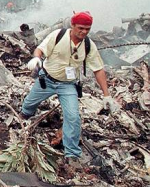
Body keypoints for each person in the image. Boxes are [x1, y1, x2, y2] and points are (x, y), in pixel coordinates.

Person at [21, 11, 119, 164]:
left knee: (73, 116)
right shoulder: (58, 35)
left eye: (87, 29)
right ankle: (24, 117)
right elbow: (40, 49)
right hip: (47, 79)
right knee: (28, 105)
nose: (84, 32)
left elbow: (98, 69)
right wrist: (36, 59)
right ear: (72, 25)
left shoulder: (88, 45)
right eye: (81, 28)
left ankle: (71, 153)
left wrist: (106, 95)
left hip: (68, 85)